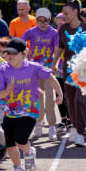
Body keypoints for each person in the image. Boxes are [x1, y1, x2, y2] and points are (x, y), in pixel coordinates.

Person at [0, 38, 63, 171]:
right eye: (8, 53)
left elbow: (50, 77)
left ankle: (29, 151)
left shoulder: (33, 68)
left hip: (29, 110)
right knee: (10, 145)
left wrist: (60, 93)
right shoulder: (3, 69)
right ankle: (18, 169)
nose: (10, 57)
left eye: (13, 54)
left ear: (24, 54)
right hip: (9, 111)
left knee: (20, 140)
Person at [51, 0, 86, 147]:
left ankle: (81, 134)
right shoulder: (62, 28)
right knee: (70, 101)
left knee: (79, 100)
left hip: (84, 71)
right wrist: (54, 63)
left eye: (66, 12)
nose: (64, 15)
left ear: (75, 11)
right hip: (68, 70)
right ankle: (75, 128)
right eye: (63, 13)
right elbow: (60, 47)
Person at [22, 8, 59, 140]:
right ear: (36, 20)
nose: (42, 23)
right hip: (34, 70)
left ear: (49, 20)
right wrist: (24, 51)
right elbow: (21, 42)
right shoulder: (31, 31)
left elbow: (57, 50)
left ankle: (52, 126)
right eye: (40, 20)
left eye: (45, 21)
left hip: (48, 69)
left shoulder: (54, 33)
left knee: (50, 97)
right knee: (37, 97)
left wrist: (55, 64)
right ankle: (38, 122)